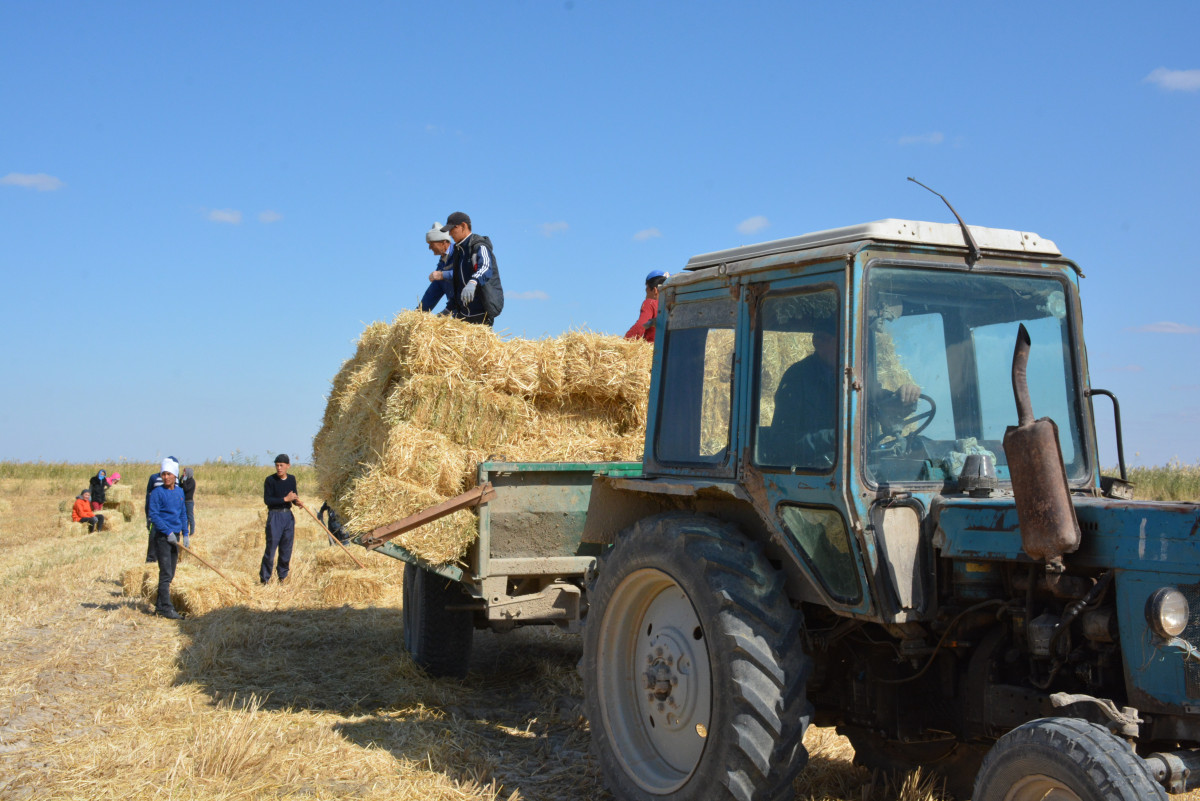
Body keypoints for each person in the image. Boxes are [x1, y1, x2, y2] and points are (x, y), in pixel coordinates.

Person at [440, 211, 505, 325]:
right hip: (463, 316)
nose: (450, 234)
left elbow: (485, 267)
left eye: (452, 229)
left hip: (482, 315)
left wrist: (473, 282)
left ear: (463, 226)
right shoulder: (458, 252)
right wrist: (449, 308)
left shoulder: (479, 245)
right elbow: (458, 284)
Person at [147, 457, 187, 619]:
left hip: (175, 537)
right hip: (163, 537)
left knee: (170, 574)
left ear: (175, 475)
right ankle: (167, 608)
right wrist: (168, 532)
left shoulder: (179, 492)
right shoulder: (157, 493)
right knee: (165, 573)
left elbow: (182, 513)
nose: (165, 477)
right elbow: (154, 515)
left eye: (168, 474)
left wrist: (185, 533)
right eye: (163, 474)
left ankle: (159, 606)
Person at [262, 453, 303, 584]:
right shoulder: (270, 480)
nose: (279, 468)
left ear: (288, 466)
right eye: (277, 465)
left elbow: (293, 496)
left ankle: (282, 576)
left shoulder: (291, 479)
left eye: (281, 465)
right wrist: (285, 499)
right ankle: (265, 578)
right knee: (271, 548)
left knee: (286, 548)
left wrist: (297, 502)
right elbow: (267, 500)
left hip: (288, 516)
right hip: (275, 516)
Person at [145, 456, 179, 563]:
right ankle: (151, 561)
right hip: (156, 515)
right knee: (153, 538)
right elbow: (148, 497)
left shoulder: (176, 480)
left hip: (170, 516)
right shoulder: (154, 478)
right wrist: (148, 516)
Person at [418, 223, 456, 313]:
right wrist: (419, 313)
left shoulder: (460, 253)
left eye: (431, 243)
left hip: (472, 309)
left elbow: (466, 273)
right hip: (456, 310)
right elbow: (434, 291)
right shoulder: (442, 263)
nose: (429, 247)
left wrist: (443, 275)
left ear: (443, 242)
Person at [625, 270, 669, 342]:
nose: (646, 296)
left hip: (653, 350)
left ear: (655, 290)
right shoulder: (672, 306)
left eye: (647, 291)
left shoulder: (651, 303)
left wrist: (625, 341)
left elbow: (641, 325)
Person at [179, 467, 196, 548]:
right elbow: (180, 486)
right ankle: (185, 530)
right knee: (185, 517)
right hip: (184, 501)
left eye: (185, 473)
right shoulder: (187, 481)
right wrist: (180, 479)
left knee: (190, 517)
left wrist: (184, 480)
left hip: (189, 501)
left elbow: (186, 489)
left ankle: (192, 532)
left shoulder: (192, 482)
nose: (184, 474)